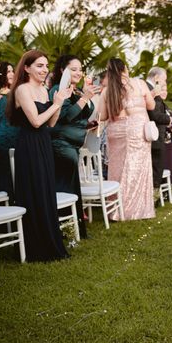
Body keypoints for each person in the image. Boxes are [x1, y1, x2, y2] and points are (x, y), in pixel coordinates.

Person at [6, 50, 72, 262]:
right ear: (26, 68)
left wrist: (58, 102)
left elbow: (50, 123)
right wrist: (56, 103)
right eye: (39, 66)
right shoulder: (22, 90)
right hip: (29, 145)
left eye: (46, 66)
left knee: (45, 189)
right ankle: (35, 247)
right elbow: (35, 122)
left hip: (44, 143)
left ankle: (50, 242)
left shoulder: (44, 90)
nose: (44, 70)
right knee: (34, 189)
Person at [49, 55, 100, 239]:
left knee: (71, 189)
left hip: (73, 145)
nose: (78, 72)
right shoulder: (58, 90)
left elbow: (77, 118)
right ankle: (64, 231)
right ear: (63, 70)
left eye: (80, 69)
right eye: (73, 69)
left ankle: (73, 230)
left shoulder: (75, 91)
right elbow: (64, 117)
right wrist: (85, 97)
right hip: (61, 146)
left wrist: (88, 124)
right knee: (65, 189)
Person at [99, 58, 155, 221]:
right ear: (125, 69)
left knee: (117, 169)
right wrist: (149, 97)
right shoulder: (139, 84)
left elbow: (102, 116)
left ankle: (116, 209)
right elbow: (151, 106)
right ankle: (137, 210)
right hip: (138, 129)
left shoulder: (108, 90)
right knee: (137, 169)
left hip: (116, 131)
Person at [0, 62, 19, 199]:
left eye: (13, 70)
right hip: (2, 139)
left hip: (16, 137)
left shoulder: (18, 92)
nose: (12, 74)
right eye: (8, 71)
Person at [145, 67, 171, 191]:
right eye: (163, 79)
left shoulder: (148, 88)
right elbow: (154, 114)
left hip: (155, 134)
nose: (164, 83)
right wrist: (169, 119)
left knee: (155, 168)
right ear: (156, 78)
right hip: (154, 135)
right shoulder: (150, 90)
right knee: (156, 169)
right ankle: (153, 199)